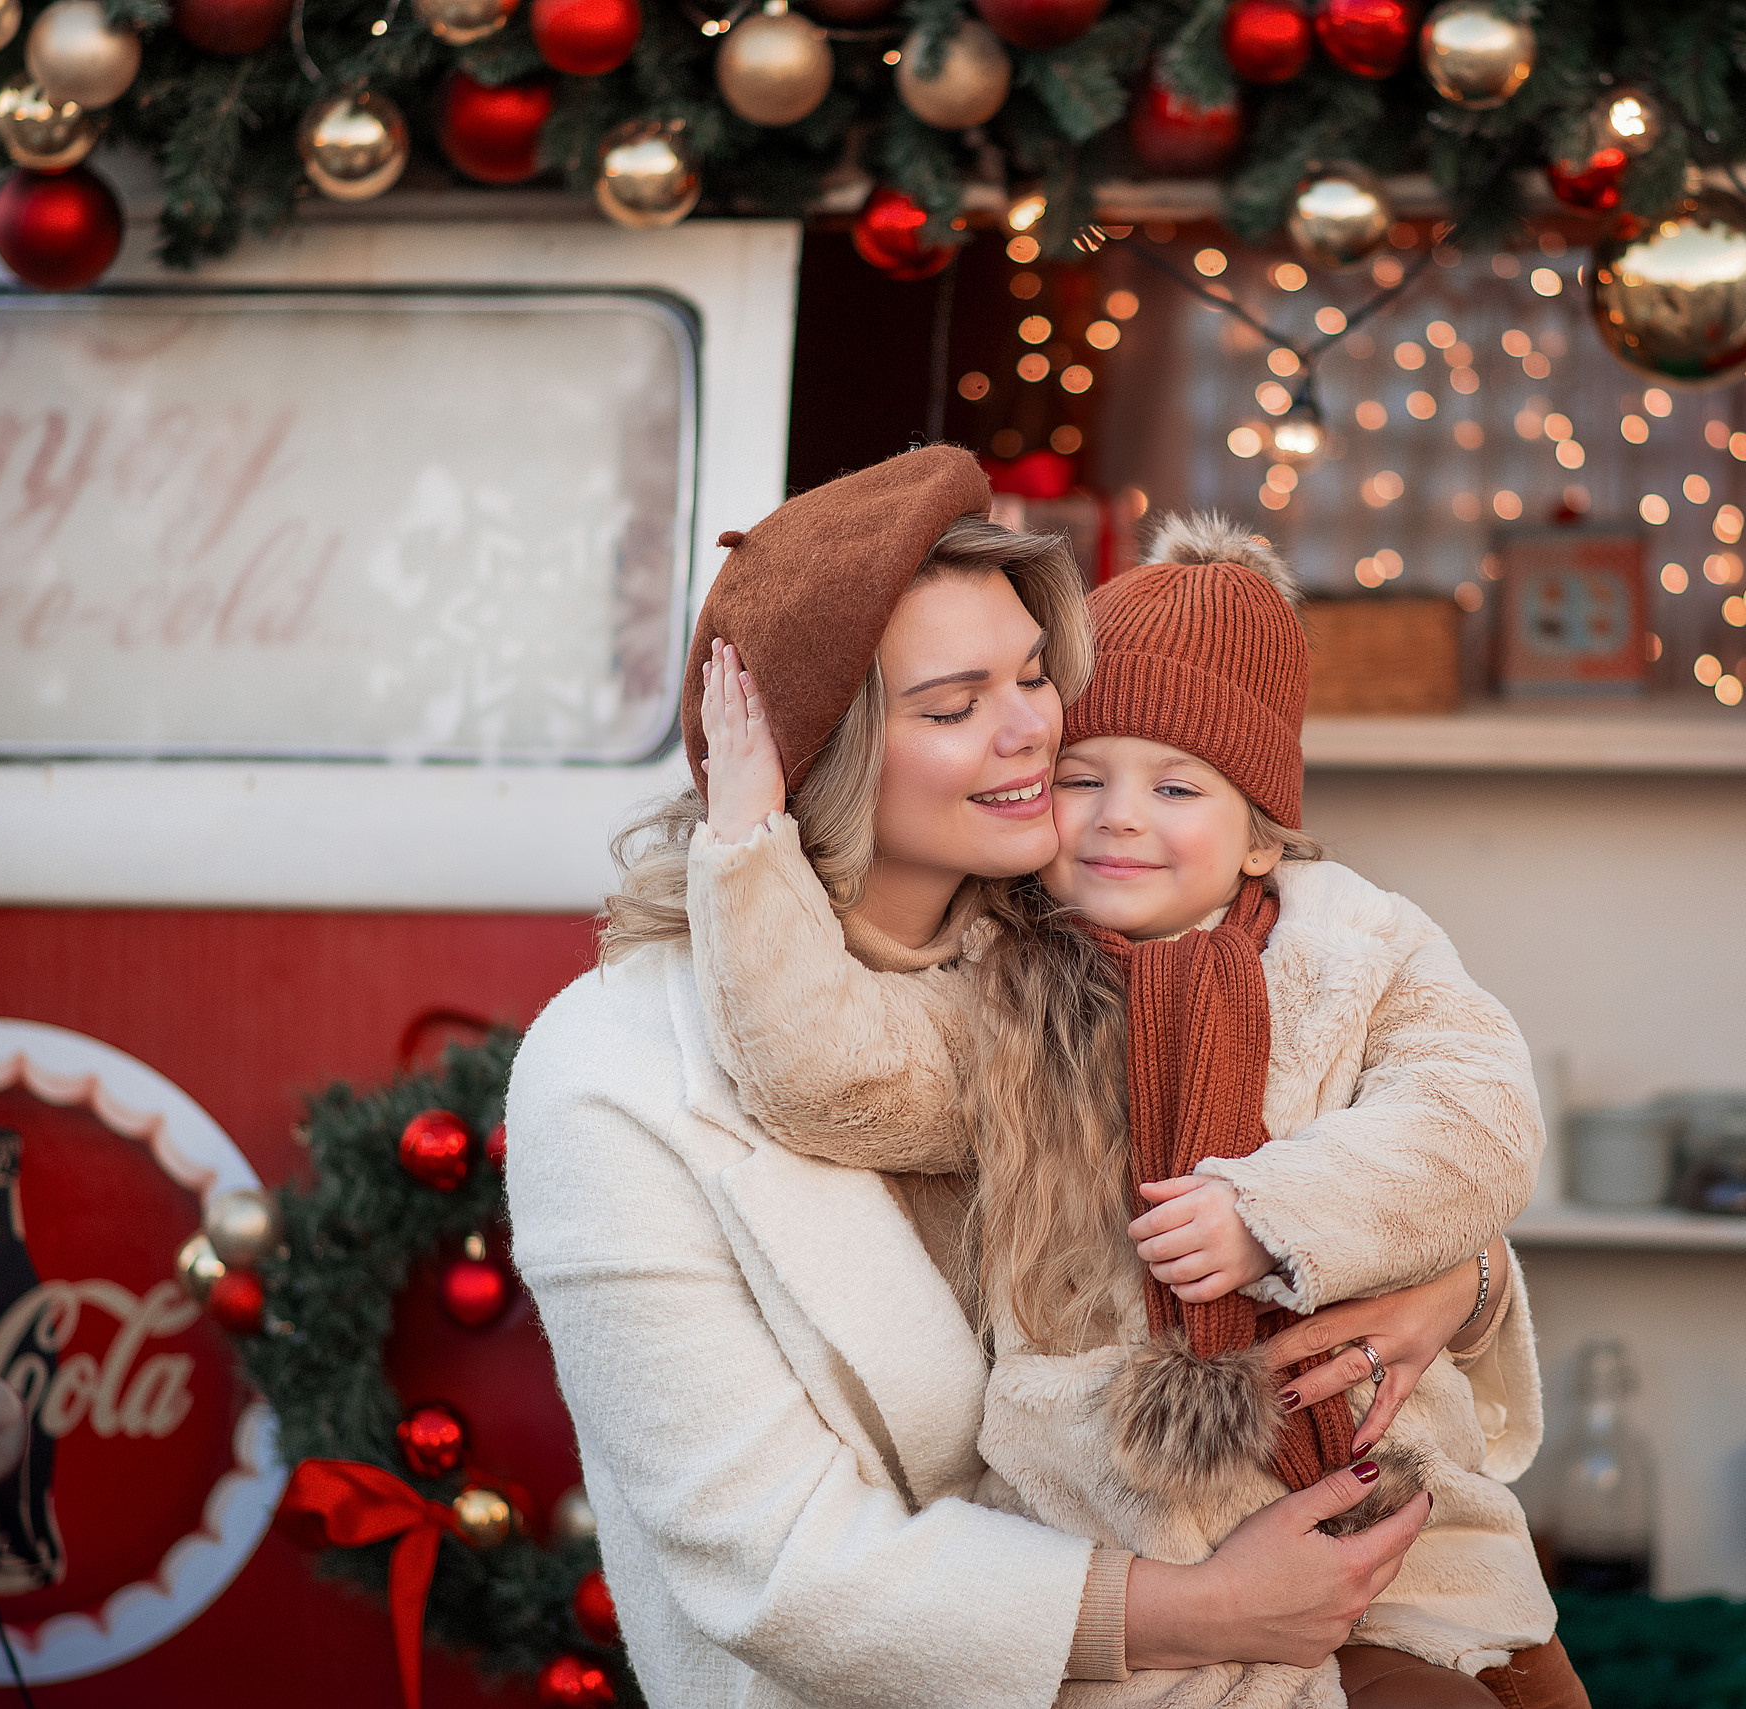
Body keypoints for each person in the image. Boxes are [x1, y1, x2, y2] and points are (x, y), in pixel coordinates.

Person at [504, 448, 1538, 1709]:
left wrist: (1458, 1276)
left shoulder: (1109, 935)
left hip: (1314, 1598)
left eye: (1037, 675)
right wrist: (1201, 1609)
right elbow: (778, 1568)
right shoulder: (612, 1069)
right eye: (953, 706)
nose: (1036, 734)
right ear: (823, 750)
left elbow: (1368, 1123)